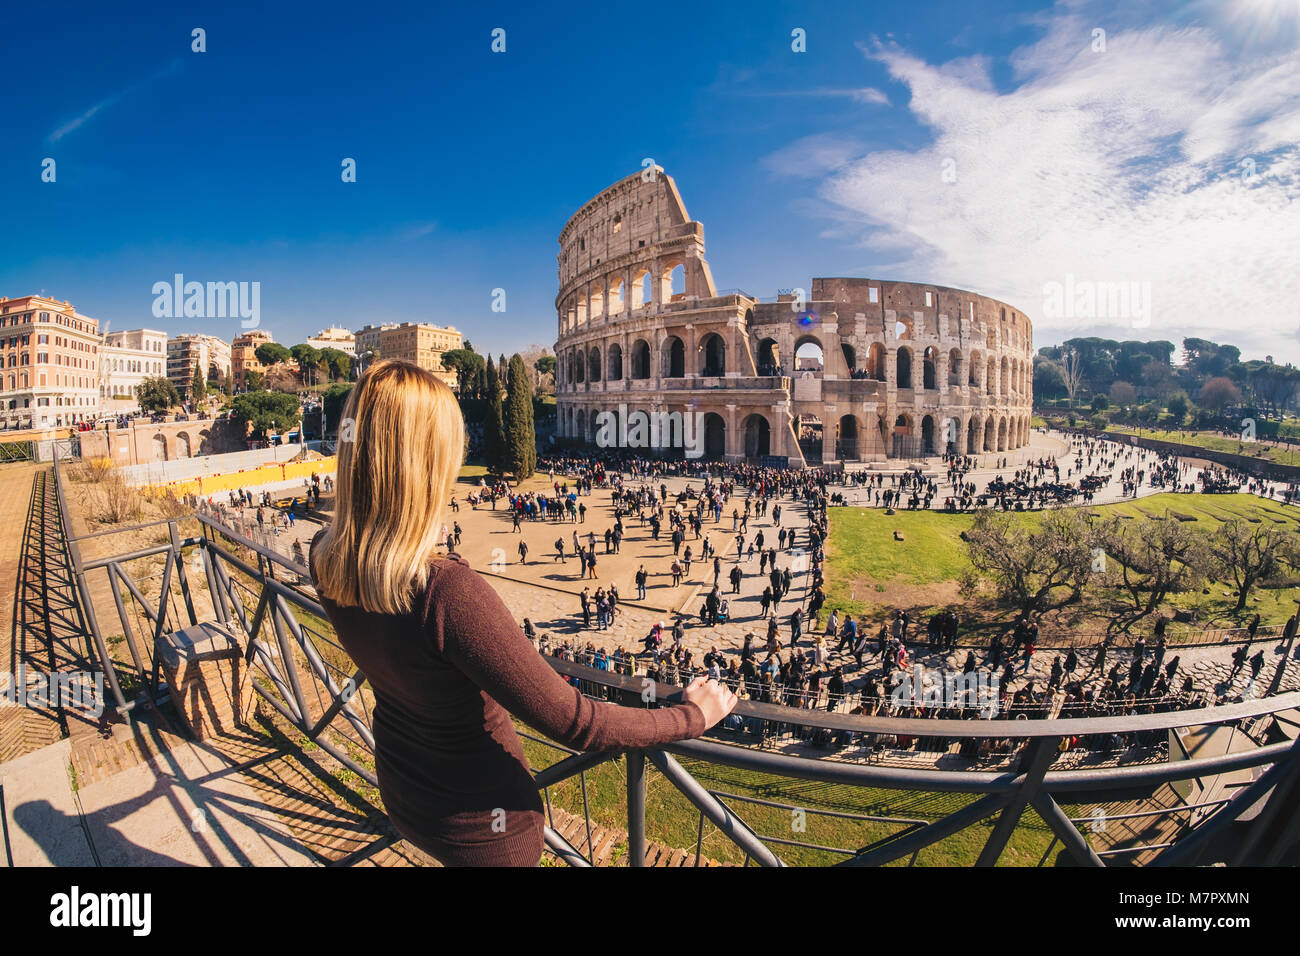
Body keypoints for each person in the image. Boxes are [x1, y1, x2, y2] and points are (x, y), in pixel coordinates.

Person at [308, 361, 737, 867]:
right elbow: (577, 722)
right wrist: (691, 715)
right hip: (489, 832)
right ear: (429, 461)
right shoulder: (446, 593)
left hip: (405, 792)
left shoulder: (325, 555)